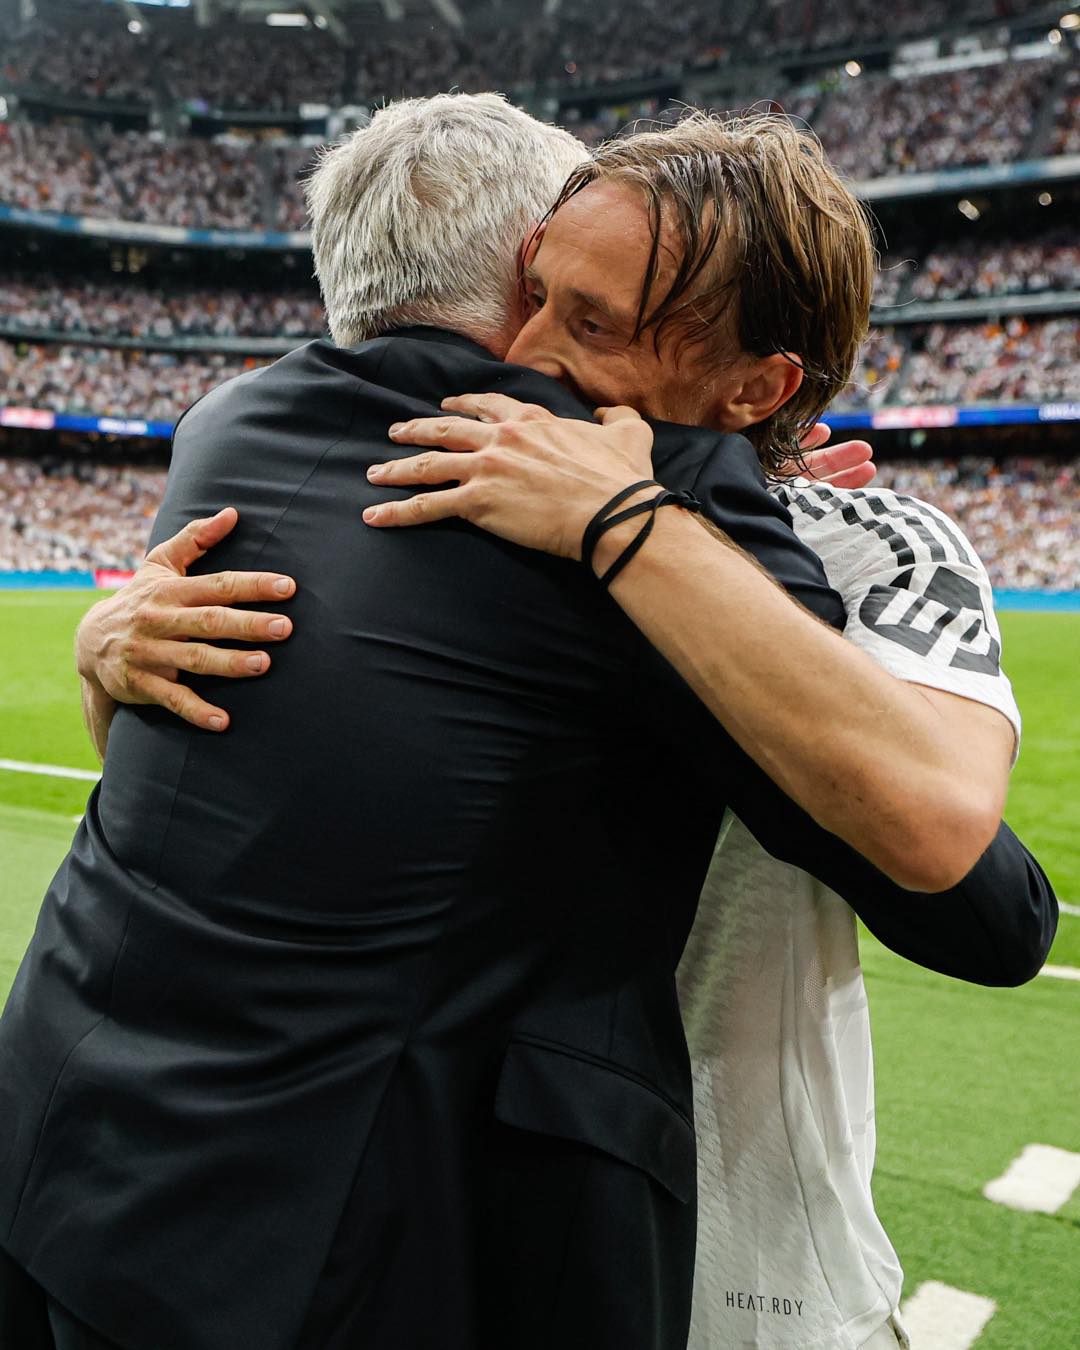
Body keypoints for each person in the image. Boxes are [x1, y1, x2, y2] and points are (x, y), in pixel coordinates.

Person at [5, 95, 1041, 1350]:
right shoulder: (586, 475)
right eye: (535, 294)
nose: (532, 357)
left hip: (101, 1152)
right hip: (426, 1215)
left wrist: (671, 522)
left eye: (590, 322)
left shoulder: (239, 420)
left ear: (753, 386)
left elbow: (982, 900)